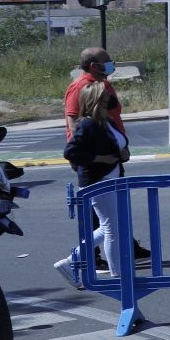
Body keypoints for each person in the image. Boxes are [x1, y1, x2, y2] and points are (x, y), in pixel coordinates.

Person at [63, 44, 145, 270]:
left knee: (112, 216)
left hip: (113, 156)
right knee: (99, 217)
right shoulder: (80, 87)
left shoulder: (103, 84)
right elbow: (73, 125)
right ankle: (93, 258)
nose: (111, 65)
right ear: (92, 66)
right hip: (96, 162)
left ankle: (124, 247)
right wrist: (86, 158)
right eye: (106, 62)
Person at [56, 80, 127, 291]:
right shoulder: (87, 124)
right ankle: (118, 277)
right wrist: (99, 158)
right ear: (95, 99)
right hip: (97, 182)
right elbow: (71, 152)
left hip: (112, 179)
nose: (109, 96)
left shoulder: (107, 121)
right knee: (112, 229)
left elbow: (121, 145)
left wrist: (123, 154)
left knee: (109, 228)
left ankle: (70, 262)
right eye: (104, 95)